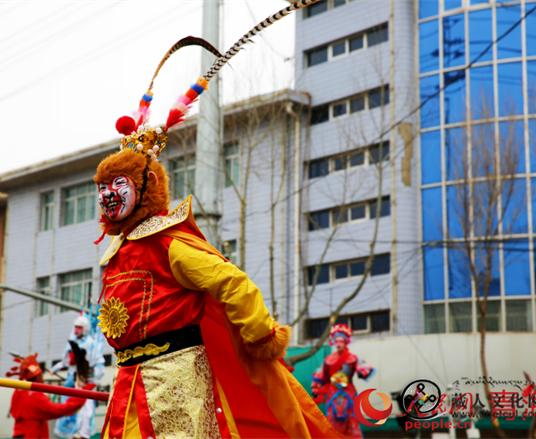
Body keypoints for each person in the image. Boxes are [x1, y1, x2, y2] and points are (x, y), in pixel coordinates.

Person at [92, 3, 339, 437]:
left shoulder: (169, 242)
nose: (107, 195)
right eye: (102, 186)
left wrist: (261, 337)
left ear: (145, 185)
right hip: (127, 386)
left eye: (118, 184)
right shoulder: (116, 250)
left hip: (176, 382)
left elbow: (230, 282)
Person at [6, 353, 93, 439]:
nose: (42, 378)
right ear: (37, 376)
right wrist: (85, 391)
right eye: (41, 374)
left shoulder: (18, 391)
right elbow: (61, 409)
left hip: (20, 434)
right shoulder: (35, 396)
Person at [52, 314, 105, 439]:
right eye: (75, 327)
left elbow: (99, 365)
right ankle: (67, 434)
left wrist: (89, 375)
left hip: (86, 382)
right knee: (67, 409)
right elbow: (65, 361)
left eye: (79, 328)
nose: (76, 330)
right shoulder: (72, 343)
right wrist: (56, 368)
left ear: (85, 328)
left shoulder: (92, 344)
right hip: (71, 382)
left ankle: (83, 435)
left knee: (86, 411)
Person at [319, 324, 375, 438]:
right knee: (332, 421)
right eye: (337, 341)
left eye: (341, 341)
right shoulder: (328, 360)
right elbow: (322, 378)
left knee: (351, 420)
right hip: (332, 394)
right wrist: (318, 388)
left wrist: (361, 371)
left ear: (346, 342)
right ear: (333, 342)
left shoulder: (353, 358)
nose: (339, 343)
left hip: (348, 394)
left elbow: (364, 370)